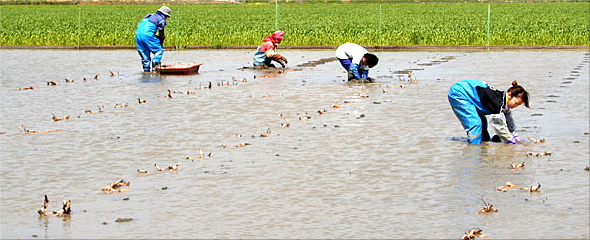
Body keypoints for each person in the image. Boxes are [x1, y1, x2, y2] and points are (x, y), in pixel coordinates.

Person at [448, 80, 530, 144]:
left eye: (518, 105)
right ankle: (474, 149)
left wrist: (513, 133)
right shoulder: (498, 103)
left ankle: (484, 143)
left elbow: (508, 118)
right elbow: (499, 126)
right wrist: (509, 140)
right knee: (475, 123)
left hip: (470, 92)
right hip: (459, 92)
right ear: (509, 95)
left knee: (483, 121)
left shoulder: (504, 102)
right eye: (516, 103)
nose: (515, 106)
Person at [135, 6, 171, 72]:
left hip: (137, 35)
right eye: (167, 17)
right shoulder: (161, 19)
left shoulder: (149, 15)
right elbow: (161, 34)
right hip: (147, 35)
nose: (166, 18)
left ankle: (146, 71)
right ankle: (155, 65)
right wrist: (160, 45)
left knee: (145, 54)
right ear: (165, 14)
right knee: (158, 51)